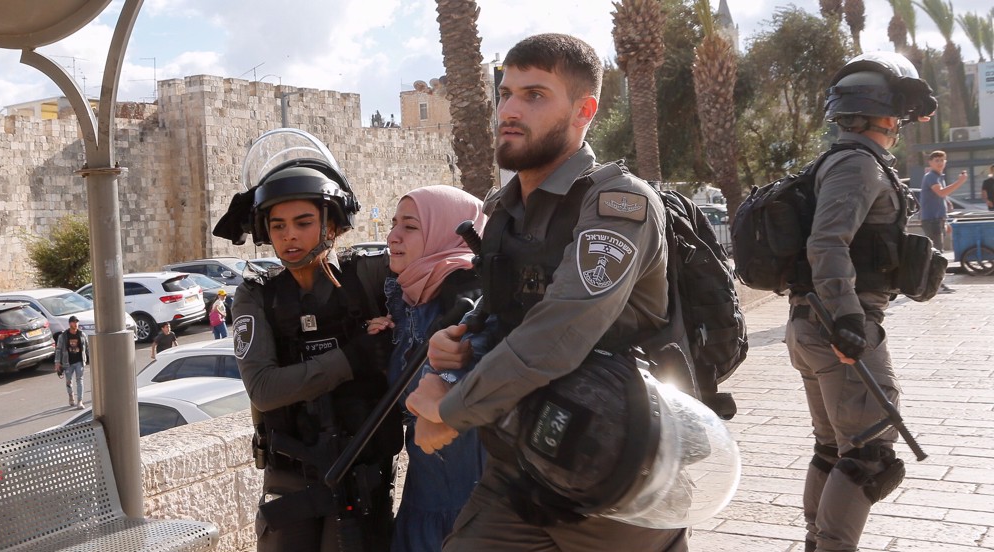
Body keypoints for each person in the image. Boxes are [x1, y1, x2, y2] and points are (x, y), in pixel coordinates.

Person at [405, 33, 686, 551]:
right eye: (506, 93)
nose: (509, 110)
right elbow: (512, 312)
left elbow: (561, 329)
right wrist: (465, 343)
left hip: (620, 470)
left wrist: (449, 410)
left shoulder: (618, 204)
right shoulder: (507, 209)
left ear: (585, 111)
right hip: (526, 462)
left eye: (535, 95)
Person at [213, 128, 400, 552]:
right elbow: (263, 389)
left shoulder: (366, 276)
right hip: (291, 474)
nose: (289, 236)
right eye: (277, 225)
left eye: (303, 222)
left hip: (361, 472)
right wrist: (352, 360)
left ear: (332, 224)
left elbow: (439, 265)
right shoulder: (257, 293)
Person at [789, 51, 937, 552]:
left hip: (815, 323)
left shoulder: (840, 161)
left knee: (834, 448)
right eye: (897, 113)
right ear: (881, 113)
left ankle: (818, 542)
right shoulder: (858, 164)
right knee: (871, 455)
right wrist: (849, 318)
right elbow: (827, 241)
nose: (900, 124)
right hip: (842, 326)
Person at [366, 186, 486, 552]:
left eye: (411, 226)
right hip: (424, 505)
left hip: (474, 518)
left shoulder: (471, 304)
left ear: (446, 232)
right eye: (393, 224)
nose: (393, 236)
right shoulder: (413, 301)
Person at [919, 150, 967, 253]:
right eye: (937, 160)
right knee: (936, 252)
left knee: (937, 252)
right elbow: (941, 192)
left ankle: (935, 269)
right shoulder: (931, 176)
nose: (940, 163)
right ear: (930, 162)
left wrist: (945, 221)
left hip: (938, 220)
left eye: (942, 160)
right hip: (931, 220)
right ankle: (935, 269)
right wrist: (960, 182)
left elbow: (941, 197)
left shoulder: (939, 177)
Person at [54, 315, 89, 409]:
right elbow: (58, 349)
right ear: (70, 324)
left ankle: (80, 401)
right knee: (68, 381)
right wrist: (57, 362)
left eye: (77, 322)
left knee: (80, 380)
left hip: (79, 362)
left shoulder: (82, 334)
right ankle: (71, 395)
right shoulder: (63, 336)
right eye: (74, 322)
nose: (76, 324)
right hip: (67, 363)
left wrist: (91, 359)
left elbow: (87, 348)